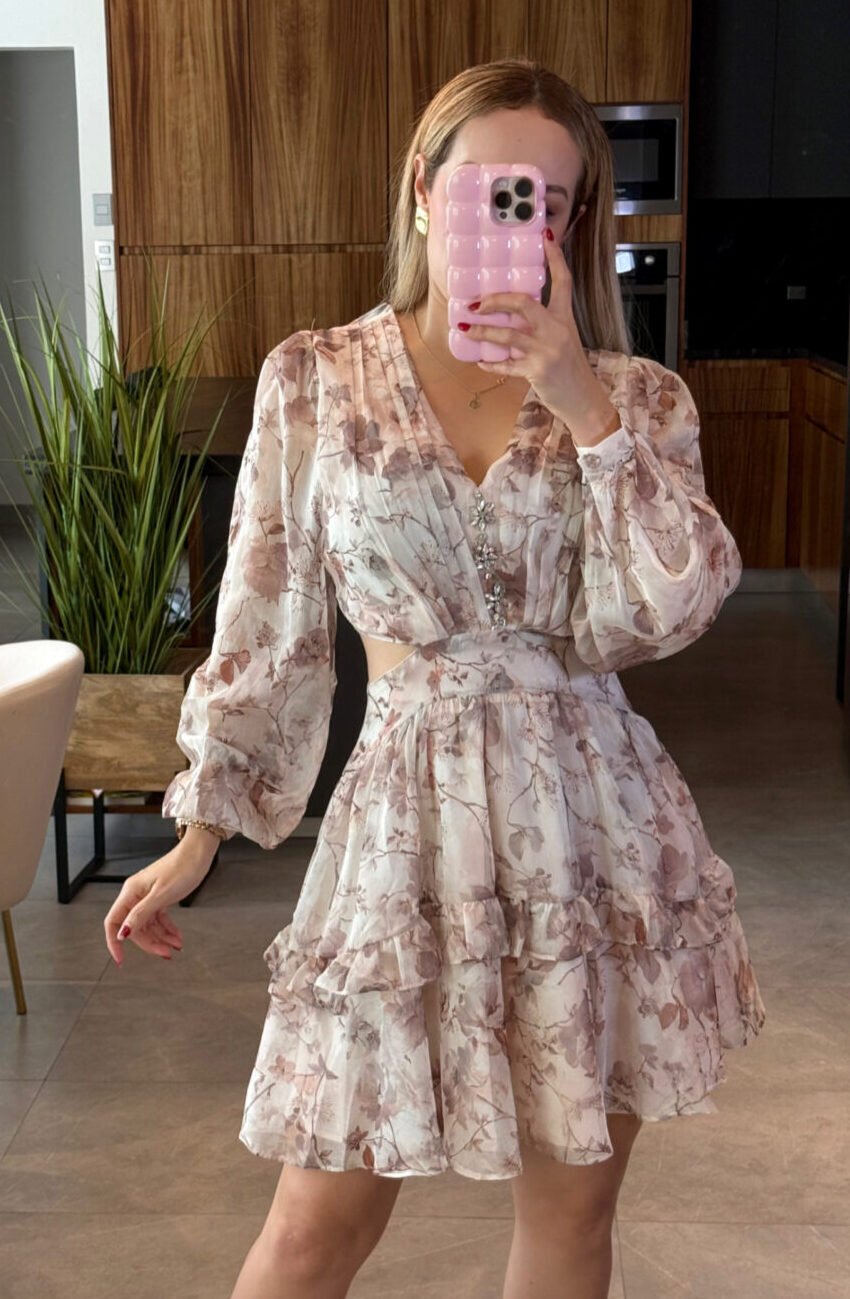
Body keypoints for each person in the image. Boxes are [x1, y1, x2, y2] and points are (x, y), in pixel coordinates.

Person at [103, 57, 766, 1299]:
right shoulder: (315, 376)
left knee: (571, 1220)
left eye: (548, 200)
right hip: (404, 834)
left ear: (574, 221)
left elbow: (669, 609)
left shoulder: (638, 398)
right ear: (424, 186)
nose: (521, 216)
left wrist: (580, 403)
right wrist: (199, 831)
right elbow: (267, 619)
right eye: (491, 187)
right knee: (314, 1227)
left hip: (593, 837)